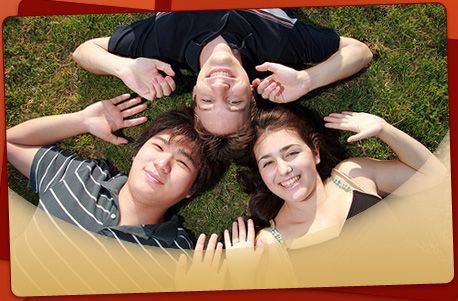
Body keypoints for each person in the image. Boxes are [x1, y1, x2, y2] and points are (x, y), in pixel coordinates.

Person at [72, 9, 373, 143]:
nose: (219, 85)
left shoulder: (164, 42)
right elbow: (359, 51)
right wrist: (307, 80)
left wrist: (124, 68)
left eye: (206, 100)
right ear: (253, 92)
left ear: (192, 94)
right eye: (233, 101)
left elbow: (85, 51)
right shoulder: (279, 45)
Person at [6, 94, 225, 249]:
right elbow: (10, 143)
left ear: (191, 189)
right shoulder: (81, 177)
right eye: (158, 146)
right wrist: (82, 121)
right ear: (135, 154)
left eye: (182, 162)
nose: (162, 162)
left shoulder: (176, 253)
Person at [236, 103, 447, 245]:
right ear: (261, 174)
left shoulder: (353, 176)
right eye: (268, 163)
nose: (283, 169)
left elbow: (434, 177)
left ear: (315, 152)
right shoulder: (270, 243)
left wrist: (384, 129)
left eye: (291, 153)